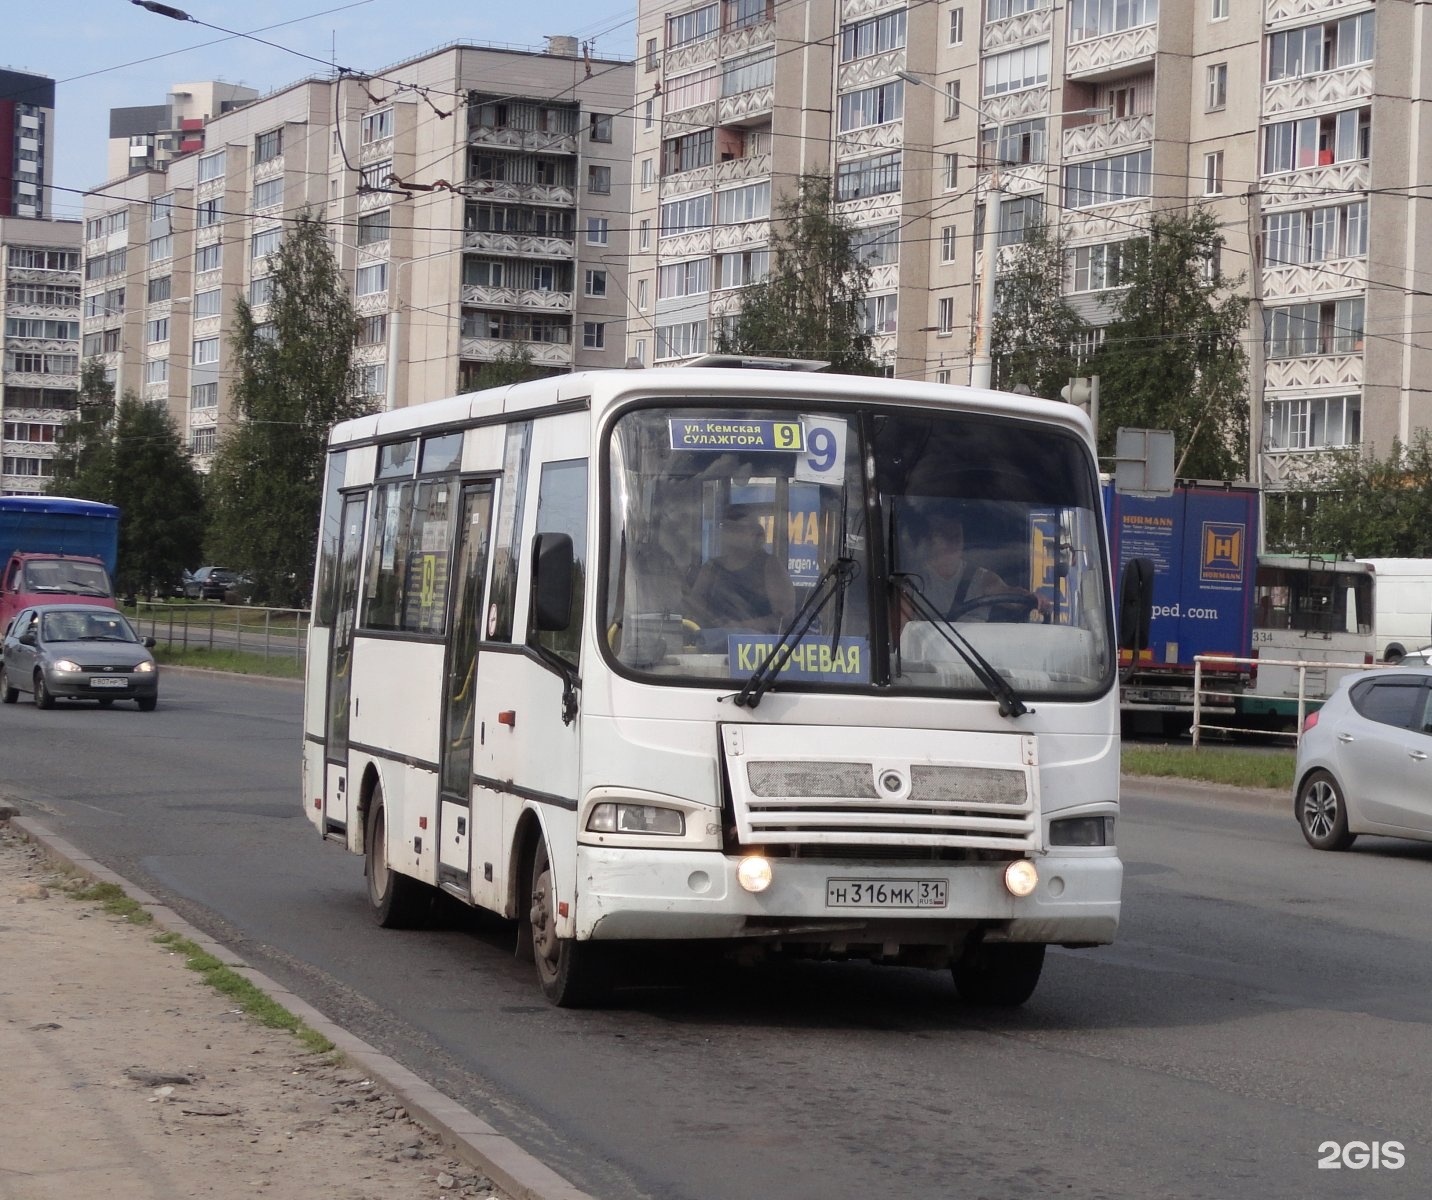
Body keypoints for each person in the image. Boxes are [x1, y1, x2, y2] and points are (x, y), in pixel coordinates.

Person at [907, 508, 1049, 622]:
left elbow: (1006, 592)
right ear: (929, 540)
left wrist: (1031, 597)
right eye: (946, 536)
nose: (954, 541)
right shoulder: (912, 581)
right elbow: (900, 636)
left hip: (975, 655)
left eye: (957, 535)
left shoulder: (982, 578)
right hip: (928, 656)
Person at [687, 506, 795, 632]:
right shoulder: (711, 568)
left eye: (739, 528)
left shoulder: (770, 566)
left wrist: (741, 627)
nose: (731, 534)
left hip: (760, 647)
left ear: (755, 533)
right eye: (727, 528)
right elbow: (693, 609)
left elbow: (784, 618)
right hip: (711, 646)